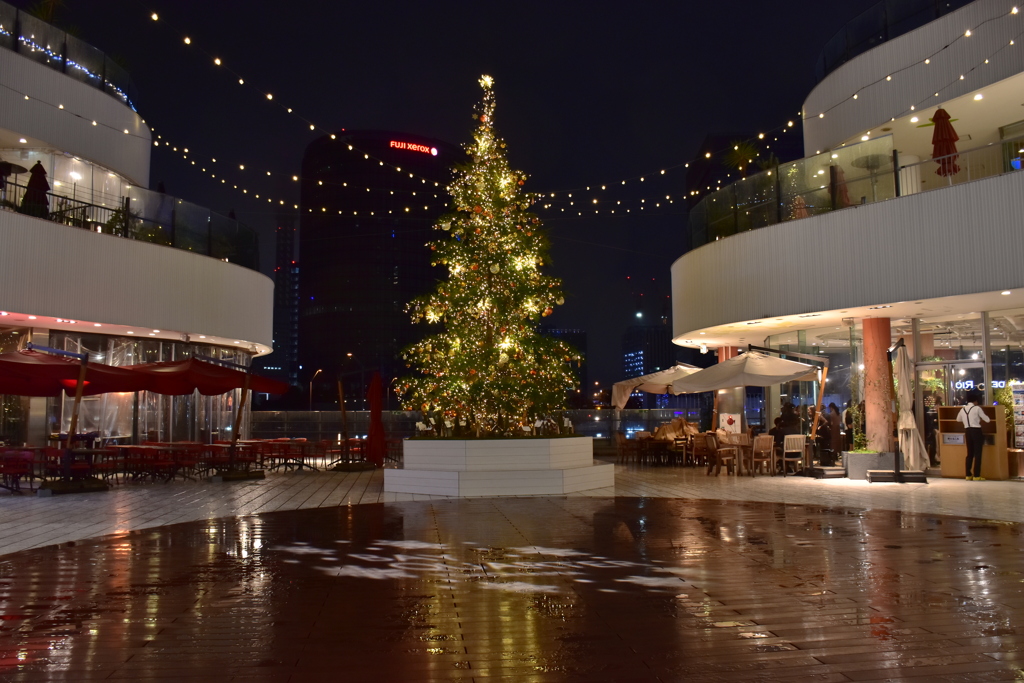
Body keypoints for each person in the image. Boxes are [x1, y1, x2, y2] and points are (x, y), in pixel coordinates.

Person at [956, 390, 990, 480]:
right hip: (976, 431)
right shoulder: (977, 408)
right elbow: (987, 420)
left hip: (967, 431)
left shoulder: (963, 409)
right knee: (978, 453)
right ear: (975, 401)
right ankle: (977, 475)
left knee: (969, 453)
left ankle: (968, 474)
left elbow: (958, 419)